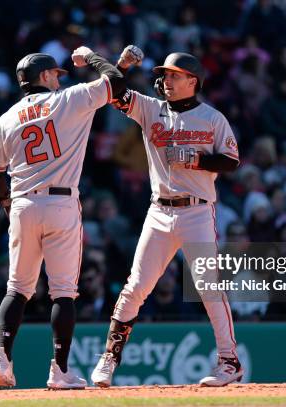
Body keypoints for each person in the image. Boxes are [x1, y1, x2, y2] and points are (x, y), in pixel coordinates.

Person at [91, 49, 243, 387]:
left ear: (193, 80)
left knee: (209, 288)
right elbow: (114, 92)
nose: (166, 80)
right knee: (136, 287)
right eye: (164, 75)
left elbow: (231, 161)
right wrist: (122, 65)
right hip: (158, 211)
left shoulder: (213, 118)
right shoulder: (150, 108)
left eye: (174, 75)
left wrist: (197, 160)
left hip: (198, 211)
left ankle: (229, 361)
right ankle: (108, 359)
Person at [0, 48, 125, 389]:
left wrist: (6, 202)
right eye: (56, 74)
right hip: (61, 204)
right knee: (63, 293)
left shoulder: (6, 118)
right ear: (45, 76)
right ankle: (59, 371)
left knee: (17, 289)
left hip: (22, 205)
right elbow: (116, 84)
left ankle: (2, 359)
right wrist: (91, 56)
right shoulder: (68, 100)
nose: (59, 78)